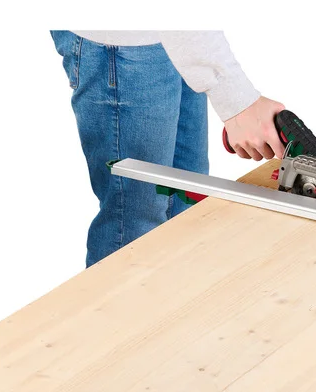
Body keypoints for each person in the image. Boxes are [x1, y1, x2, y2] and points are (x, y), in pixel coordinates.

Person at [51, 31, 285, 267]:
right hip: (125, 43)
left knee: (188, 205)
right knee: (133, 229)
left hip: (179, 37)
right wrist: (238, 102)